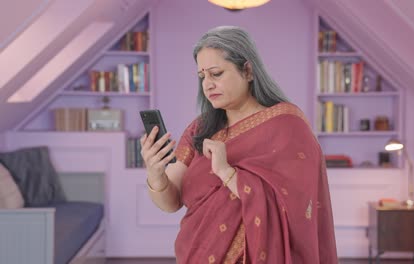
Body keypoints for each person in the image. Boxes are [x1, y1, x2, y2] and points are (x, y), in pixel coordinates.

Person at [140, 26, 338, 264]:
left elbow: (298, 208)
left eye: (216, 73)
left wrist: (226, 171)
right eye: (202, 76)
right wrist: (155, 172)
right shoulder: (200, 129)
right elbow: (171, 203)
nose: (207, 85)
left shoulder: (287, 125)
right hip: (196, 254)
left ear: (247, 70)